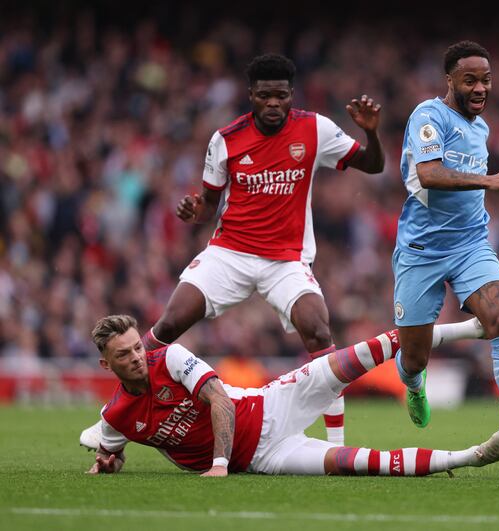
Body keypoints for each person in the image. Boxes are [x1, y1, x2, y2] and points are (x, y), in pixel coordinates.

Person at [82, 53, 386, 446]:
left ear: (291, 94)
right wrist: (195, 212)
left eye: (280, 95)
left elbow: (373, 166)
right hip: (230, 253)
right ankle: (112, 425)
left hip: (286, 260)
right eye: (264, 96)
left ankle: (337, 446)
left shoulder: (315, 129)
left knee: (319, 331)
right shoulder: (226, 140)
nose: (273, 103)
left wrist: (373, 134)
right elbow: (208, 205)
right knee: (169, 324)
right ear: (251, 96)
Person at [82, 314, 499, 477]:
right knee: (357, 464)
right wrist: (108, 463)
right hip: (264, 459)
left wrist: (217, 465)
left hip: (270, 404)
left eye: (139, 346)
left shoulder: (170, 357)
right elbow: (111, 454)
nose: (139, 357)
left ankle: (472, 328)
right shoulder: (116, 415)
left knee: (356, 356)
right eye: (126, 354)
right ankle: (471, 456)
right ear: (107, 365)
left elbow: (222, 401)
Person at [391, 40, 499, 463]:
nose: (480, 88)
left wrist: (485, 186)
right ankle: (414, 384)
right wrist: (489, 181)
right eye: (470, 79)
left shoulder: (481, 127)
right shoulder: (428, 115)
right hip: (421, 249)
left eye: (486, 80)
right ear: (450, 80)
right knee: (414, 357)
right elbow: (430, 174)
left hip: (471, 243)